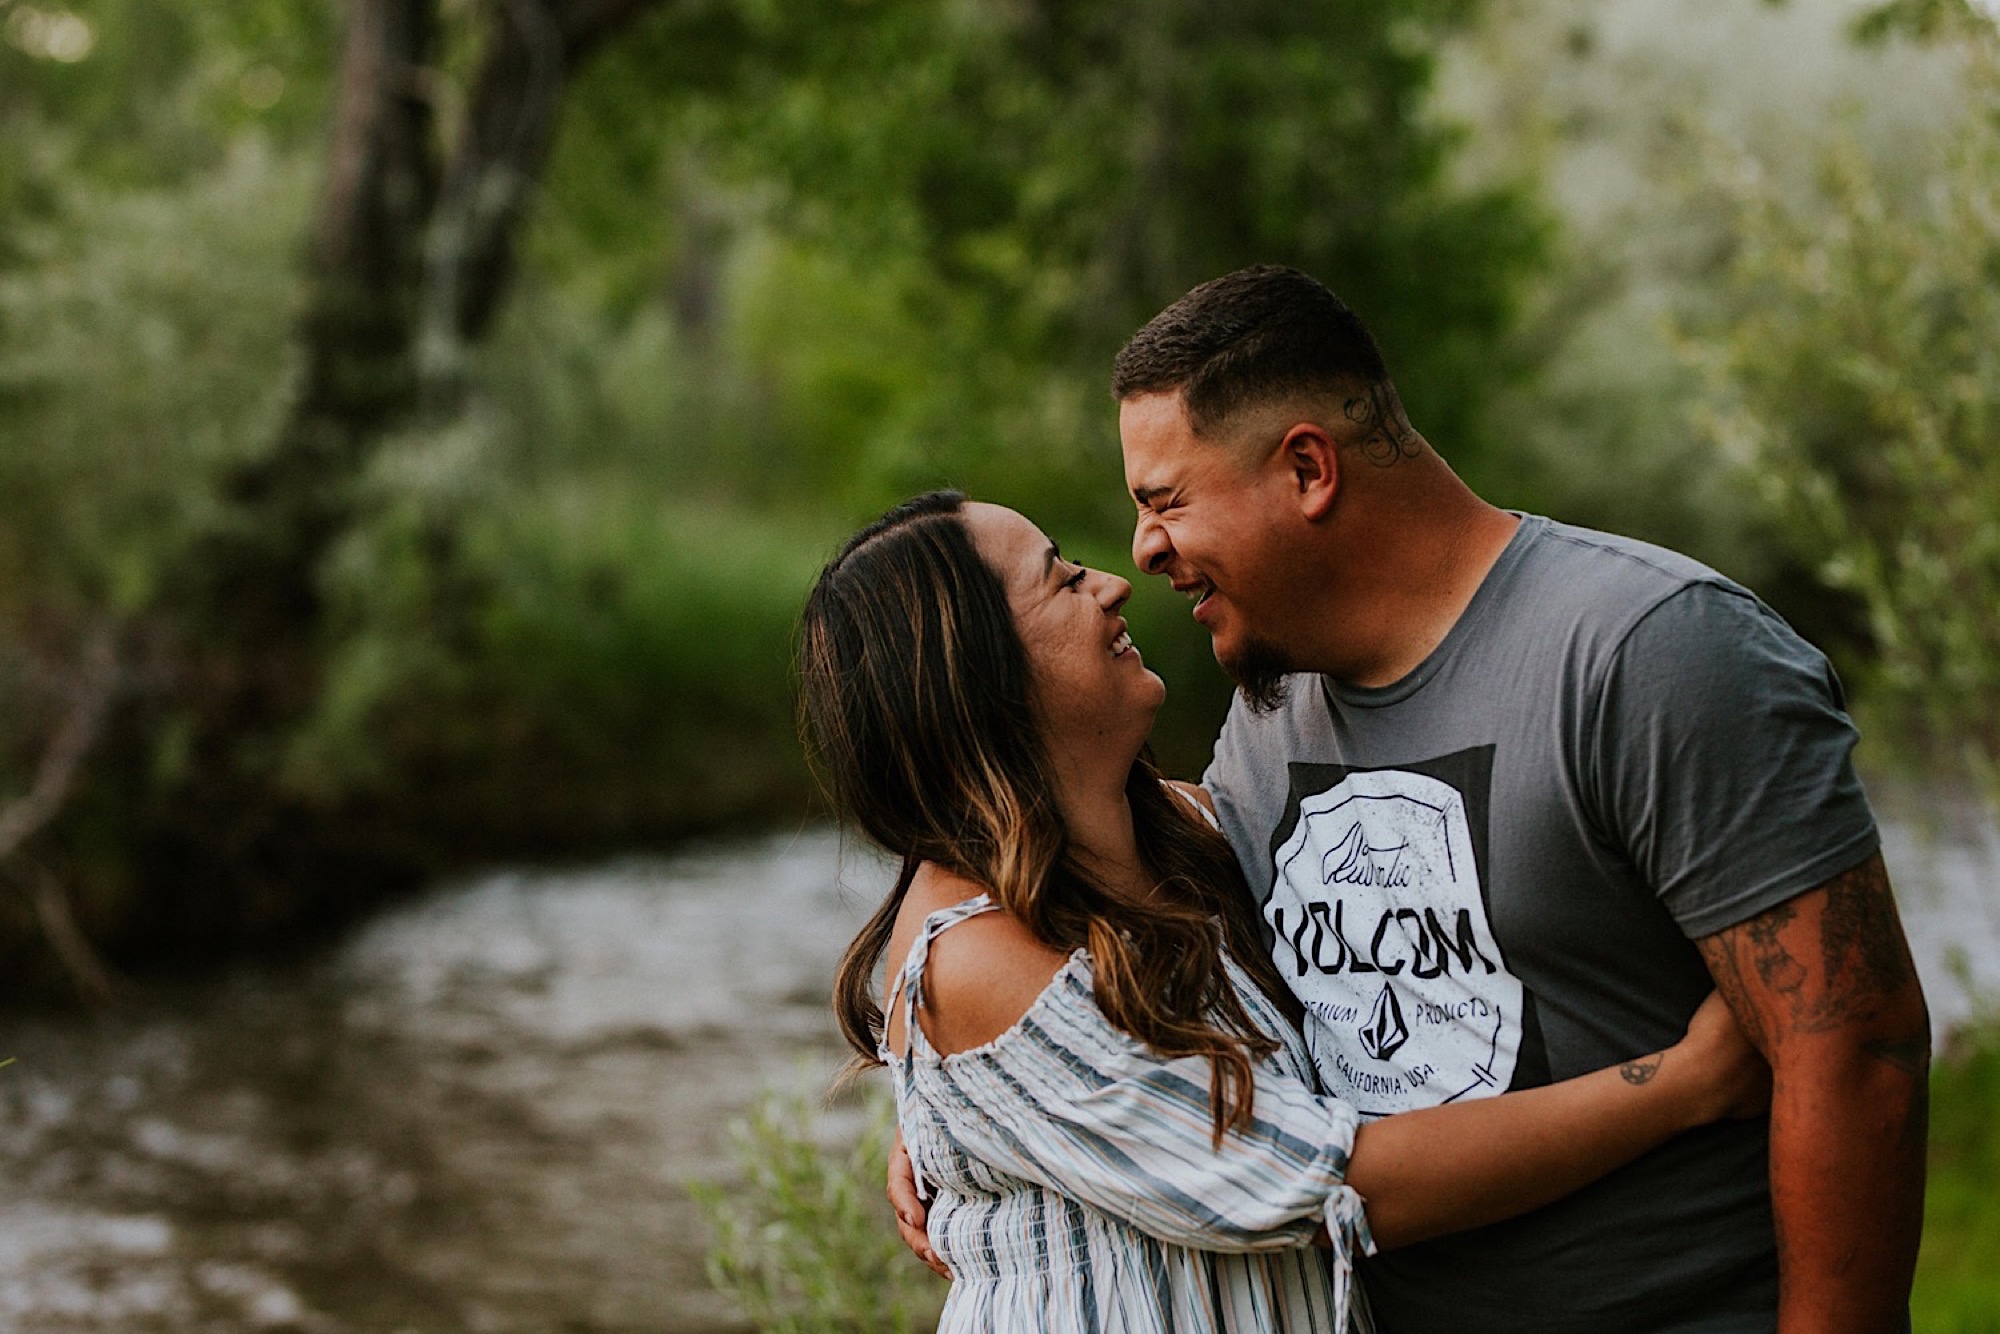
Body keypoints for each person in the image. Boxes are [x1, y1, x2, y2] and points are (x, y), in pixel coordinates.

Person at [1098, 265, 1928, 1331]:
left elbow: (1854, 1048)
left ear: (1306, 467)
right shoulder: (1272, 707)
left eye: (1164, 500)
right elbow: (1123, 903)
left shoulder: (1652, 650)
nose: (1142, 548)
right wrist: (961, 1112)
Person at [807, 491, 1767, 1333]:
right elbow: (1328, 1188)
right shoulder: (974, 965)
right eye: (1061, 580)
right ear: (975, 677)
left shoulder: (1180, 830)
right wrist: (1685, 1084)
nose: (1113, 583)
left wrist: (954, 1119)